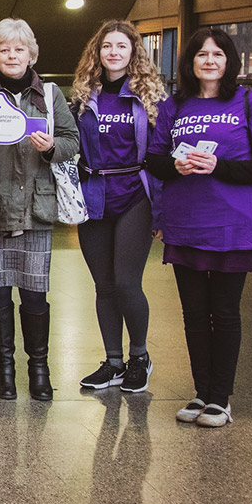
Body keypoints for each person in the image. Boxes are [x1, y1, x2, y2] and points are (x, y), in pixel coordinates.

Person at [147, 27, 252, 428]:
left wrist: (219, 166)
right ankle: (201, 392)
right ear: (190, 62)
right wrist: (176, 165)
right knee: (193, 313)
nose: (209, 60)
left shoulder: (249, 102)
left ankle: (221, 399)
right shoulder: (175, 105)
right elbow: (154, 160)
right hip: (185, 222)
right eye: (201, 54)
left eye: (217, 54)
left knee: (223, 312)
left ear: (228, 61)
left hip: (231, 223)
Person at [0, 18, 79, 401]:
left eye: (19, 49)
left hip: (34, 208)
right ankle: (5, 369)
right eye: (5, 49)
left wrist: (51, 148)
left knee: (35, 295)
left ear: (31, 54)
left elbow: (71, 140)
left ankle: (39, 369)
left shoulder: (50, 95)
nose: (12, 56)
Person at [70, 20, 164, 393]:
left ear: (133, 52)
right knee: (104, 286)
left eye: (121, 46)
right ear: (97, 52)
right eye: (107, 46)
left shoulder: (149, 98)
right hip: (94, 193)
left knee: (126, 282)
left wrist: (162, 210)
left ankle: (139, 357)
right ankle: (113, 362)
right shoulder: (83, 98)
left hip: (134, 194)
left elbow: (160, 155)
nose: (113, 52)